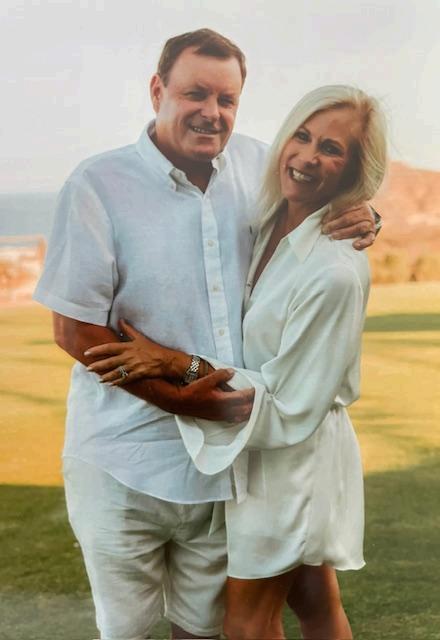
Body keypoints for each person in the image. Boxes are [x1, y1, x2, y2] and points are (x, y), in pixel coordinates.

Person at [34, 28, 380, 640]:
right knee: (128, 632)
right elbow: (73, 329)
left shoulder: (257, 166)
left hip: (228, 463)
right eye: (195, 93)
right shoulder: (97, 184)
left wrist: (367, 212)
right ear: (157, 90)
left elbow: (324, 192)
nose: (211, 112)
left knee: (208, 630)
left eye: (226, 99)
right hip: (124, 461)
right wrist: (180, 399)